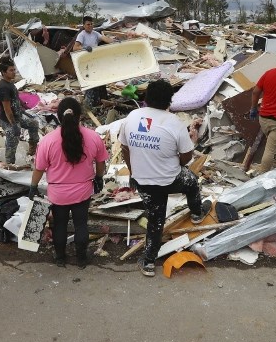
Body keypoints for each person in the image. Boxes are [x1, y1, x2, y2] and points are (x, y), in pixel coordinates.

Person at [119, 79, 204, 277]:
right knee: (191, 182)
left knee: (156, 221)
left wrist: (133, 171)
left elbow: (124, 148)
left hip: (143, 182)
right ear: (169, 101)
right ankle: (197, 214)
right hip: (169, 179)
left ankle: (148, 262)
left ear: (146, 98)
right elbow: (187, 156)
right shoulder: (173, 122)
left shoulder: (132, 117)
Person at [28, 97, 108, 269]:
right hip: (83, 191)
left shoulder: (47, 141)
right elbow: (101, 162)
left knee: (60, 225)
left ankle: (60, 258)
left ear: (57, 116)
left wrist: (33, 187)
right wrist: (99, 178)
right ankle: (81, 259)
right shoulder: (93, 137)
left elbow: (39, 168)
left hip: (58, 194)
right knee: (81, 224)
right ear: (80, 116)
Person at [0, 57, 40, 166]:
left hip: (17, 116)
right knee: (12, 142)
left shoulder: (10, 83)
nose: (14, 72)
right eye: (11, 70)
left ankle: (32, 150)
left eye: (14, 69)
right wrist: (14, 125)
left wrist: (23, 110)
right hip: (9, 120)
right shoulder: (3, 88)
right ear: (3, 72)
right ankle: (10, 165)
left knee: (34, 124)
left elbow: (15, 99)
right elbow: (7, 109)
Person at [73, 16, 116, 108]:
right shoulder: (82, 35)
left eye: (91, 24)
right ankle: (91, 103)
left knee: (100, 80)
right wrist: (84, 48)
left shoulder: (95, 33)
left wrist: (115, 41)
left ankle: (103, 100)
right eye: (88, 24)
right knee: (91, 83)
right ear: (84, 25)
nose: (90, 26)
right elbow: (75, 47)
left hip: (95, 61)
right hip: (86, 63)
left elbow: (105, 39)